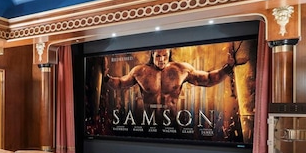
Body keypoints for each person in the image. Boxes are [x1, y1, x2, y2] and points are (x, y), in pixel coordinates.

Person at [104, 46, 246, 114]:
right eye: (158, 56)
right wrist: (106, 77)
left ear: (169, 54)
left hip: (172, 122)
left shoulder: (181, 70)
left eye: (165, 55)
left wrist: (228, 68)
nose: (161, 60)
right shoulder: (139, 71)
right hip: (146, 122)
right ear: (152, 55)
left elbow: (208, 79)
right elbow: (120, 84)